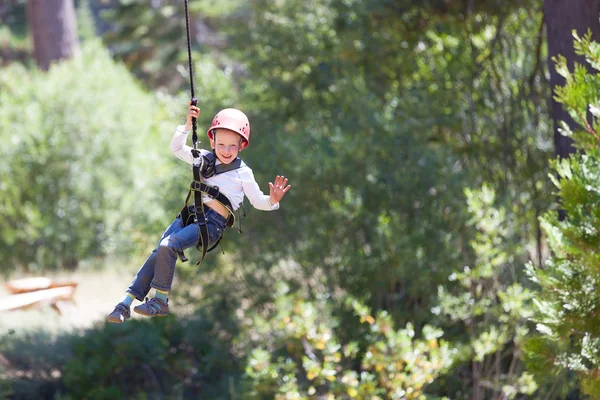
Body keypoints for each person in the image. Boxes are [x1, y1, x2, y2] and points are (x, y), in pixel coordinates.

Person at [107, 103, 291, 323]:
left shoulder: (243, 173)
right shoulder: (203, 158)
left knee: (168, 246)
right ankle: (125, 304)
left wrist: (273, 200)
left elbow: (258, 201)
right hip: (191, 215)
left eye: (232, 146)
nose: (226, 150)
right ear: (212, 141)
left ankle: (161, 300)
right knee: (159, 252)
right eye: (221, 144)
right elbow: (176, 148)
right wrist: (187, 125)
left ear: (242, 145)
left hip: (211, 225)